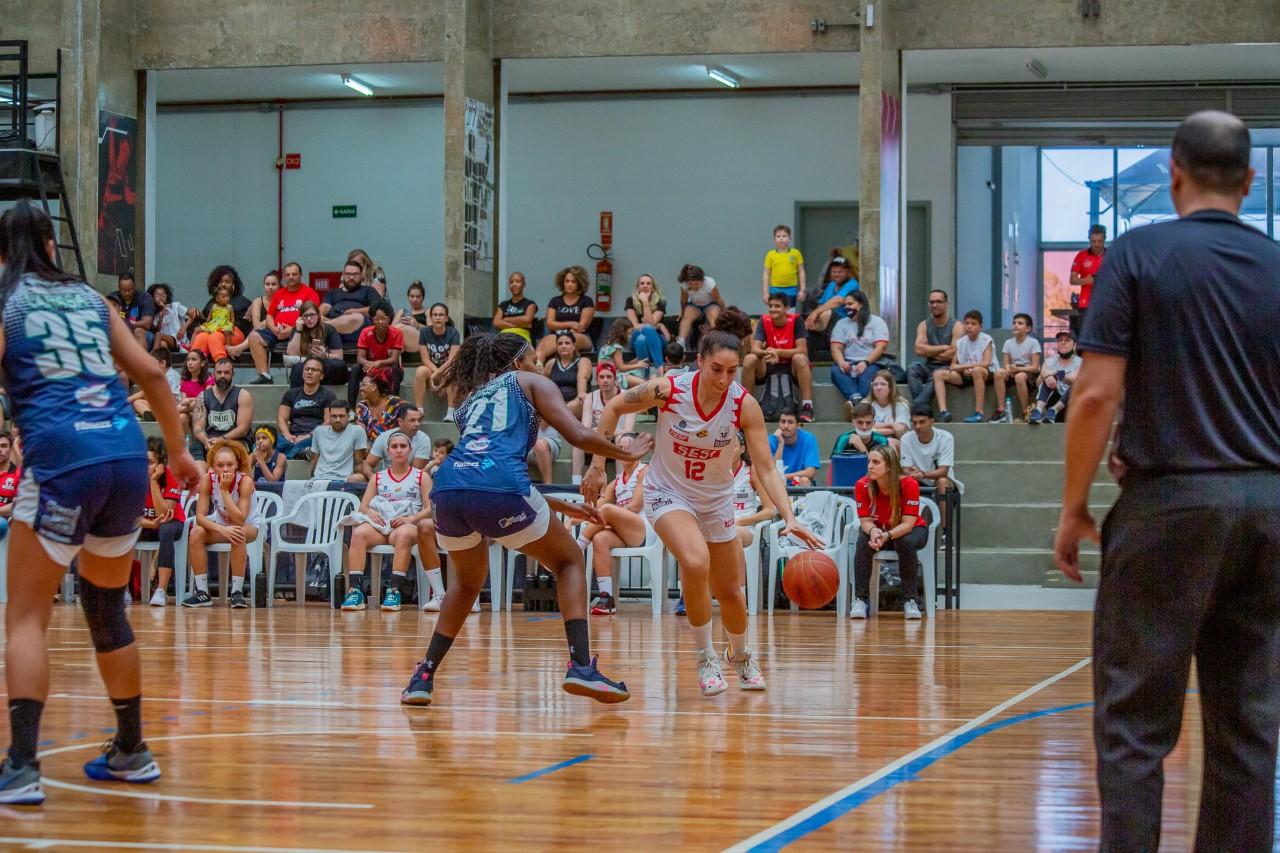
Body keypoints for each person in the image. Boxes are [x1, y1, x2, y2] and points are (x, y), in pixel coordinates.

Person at [1054, 111, 1280, 853]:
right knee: (1250, 728)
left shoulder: (1137, 254)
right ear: (1250, 181)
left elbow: (1095, 393)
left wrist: (1074, 507)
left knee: (1135, 726)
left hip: (1168, 507)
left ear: (1174, 174)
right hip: (1268, 509)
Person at [0, 200, 199, 805]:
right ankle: (131, 748)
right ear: (52, 247)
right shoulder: (90, 299)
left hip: (63, 458)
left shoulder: (8, 302)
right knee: (107, 609)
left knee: (26, 617)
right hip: (125, 457)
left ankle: (21, 766)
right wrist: (178, 452)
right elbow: (154, 374)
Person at [400, 332, 652, 707]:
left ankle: (423, 676)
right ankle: (581, 667)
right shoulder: (529, 382)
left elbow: (483, 475)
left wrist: (559, 505)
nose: (539, 365)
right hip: (499, 489)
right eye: (534, 358)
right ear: (518, 362)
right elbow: (576, 434)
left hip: (447, 491)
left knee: (466, 584)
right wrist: (622, 453)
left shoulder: (471, 400)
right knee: (568, 561)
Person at [584, 329, 822, 696]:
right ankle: (705, 657)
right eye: (716, 369)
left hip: (714, 500)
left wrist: (788, 516)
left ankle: (741, 656)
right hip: (668, 493)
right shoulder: (668, 390)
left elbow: (765, 467)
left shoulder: (743, 405)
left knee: (730, 592)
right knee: (695, 563)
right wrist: (598, 464)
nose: (724, 379)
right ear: (699, 362)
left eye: (732, 371)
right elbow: (615, 406)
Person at [341, 432, 434, 612]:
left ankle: (393, 591)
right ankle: (355, 592)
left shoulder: (421, 476)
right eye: (394, 446)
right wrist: (371, 513)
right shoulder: (378, 477)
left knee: (404, 534)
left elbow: (430, 508)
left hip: (407, 524)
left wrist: (410, 519)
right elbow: (363, 506)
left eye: (403, 446)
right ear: (388, 451)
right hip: (383, 526)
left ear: (410, 450)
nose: (399, 450)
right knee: (359, 533)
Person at [850, 444, 929, 620]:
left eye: (876, 462)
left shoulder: (909, 484)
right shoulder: (862, 485)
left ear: (889, 466)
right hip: (880, 530)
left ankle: (910, 600)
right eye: (869, 461)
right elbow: (865, 521)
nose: (870, 466)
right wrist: (874, 531)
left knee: (905, 541)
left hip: (912, 529)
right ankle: (860, 600)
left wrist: (887, 535)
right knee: (863, 540)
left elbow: (908, 524)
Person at [182, 438, 262, 609]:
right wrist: (221, 529)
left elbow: (240, 519)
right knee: (195, 533)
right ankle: (202, 592)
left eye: (229, 464)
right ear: (213, 466)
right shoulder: (207, 480)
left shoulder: (245, 481)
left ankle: (237, 592)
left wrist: (224, 491)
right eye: (220, 465)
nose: (225, 469)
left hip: (249, 526)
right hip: (222, 526)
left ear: (237, 464)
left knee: (237, 532)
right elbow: (200, 517)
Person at [575, 433, 648, 616]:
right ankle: (606, 598)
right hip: (624, 532)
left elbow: (635, 506)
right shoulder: (616, 481)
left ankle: (575, 549)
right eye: (618, 448)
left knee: (607, 510)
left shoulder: (644, 472)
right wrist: (575, 518)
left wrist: (610, 518)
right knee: (600, 538)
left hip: (645, 530)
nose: (621, 451)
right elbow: (596, 508)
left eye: (626, 447)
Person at [743, 293, 814, 423]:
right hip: (769, 364)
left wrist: (778, 352)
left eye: (777, 306)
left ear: (787, 308)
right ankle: (746, 407)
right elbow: (755, 348)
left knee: (800, 358)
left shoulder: (796, 320)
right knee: (749, 359)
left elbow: (802, 350)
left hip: (791, 366)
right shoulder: (764, 320)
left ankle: (807, 407)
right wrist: (768, 353)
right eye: (770, 306)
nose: (772, 309)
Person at [249, 262, 320, 384]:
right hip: (277, 331)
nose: (291, 277)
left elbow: (313, 317)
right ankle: (265, 376)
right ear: (284, 277)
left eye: (294, 274)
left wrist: (292, 329)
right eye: (288, 274)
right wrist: (274, 329)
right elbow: (270, 316)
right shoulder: (279, 294)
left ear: (301, 275)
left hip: (300, 331)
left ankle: (298, 378)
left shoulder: (309, 293)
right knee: (254, 337)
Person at [140, 436, 187, 607]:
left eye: (150, 462)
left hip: (173, 522)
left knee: (166, 529)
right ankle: (123, 589)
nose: (145, 466)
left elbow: (164, 513)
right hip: (146, 524)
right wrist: (150, 524)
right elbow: (126, 516)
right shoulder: (132, 477)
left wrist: (153, 482)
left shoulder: (172, 475)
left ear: (161, 464)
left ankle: (161, 590)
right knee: (119, 529)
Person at [572, 362, 635, 484]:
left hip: (618, 437)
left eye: (609, 377)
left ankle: (621, 485)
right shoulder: (590, 397)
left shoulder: (627, 396)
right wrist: (596, 432)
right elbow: (585, 427)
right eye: (602, 377)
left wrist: (605, 432)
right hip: (598, 439)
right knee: (578, 444)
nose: (605, 380)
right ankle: (575, 484)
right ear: (596, 380)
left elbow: (628, 429)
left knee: (623, 441)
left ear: (615, 379)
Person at [829, 291, 890, 412]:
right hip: (848, 362)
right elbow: (835, 348)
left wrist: (865, 363)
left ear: (861, 304)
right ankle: (857, 401)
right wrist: (842, 363)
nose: (846, 307)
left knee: (866, 378)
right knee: (835, 371)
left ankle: (855, 406)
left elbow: (881, 347)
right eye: (845, 305)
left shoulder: (877, 322)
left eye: (850, 304)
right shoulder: (841, 324)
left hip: (871, 363)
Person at [933, 309, 993, 423]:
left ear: (981, 326)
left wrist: (965, 367)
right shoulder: (960, 342)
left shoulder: (986, 339)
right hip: (965, 375)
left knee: (977, 370)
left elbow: (986, 363)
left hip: (985, 374)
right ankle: (943, 412)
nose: (969, 326)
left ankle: (979, 413)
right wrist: (964, 369)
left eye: (973, 324)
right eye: (967, 323)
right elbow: (953, 366)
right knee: (938, 374)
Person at [191, 357, 254, 460]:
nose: (222, 376)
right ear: (214, 374)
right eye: (219, 372)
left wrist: (222, 440)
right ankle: (202, 470)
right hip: (210, 440)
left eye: (226, 373)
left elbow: (243, 429)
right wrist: (205, 441)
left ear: (233, 374)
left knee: (231, 452)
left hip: (235, 440)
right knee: (196, 448)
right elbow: (198, 428)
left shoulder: (243, 395)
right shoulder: (203, 396)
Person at [908, 290, 962, 408]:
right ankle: (922, 405)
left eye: (939, 302)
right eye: (931, 302)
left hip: (947, 367)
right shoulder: (924, 325)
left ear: (947, 303)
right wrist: (943, 347)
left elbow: (953, 354)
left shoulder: (957, 326)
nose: (935, 305)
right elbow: (918, 350)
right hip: (928, 365)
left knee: (936, 374)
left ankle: (918, 406)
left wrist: (928, 351)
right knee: (912, 368)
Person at [277, 358, 338, 459]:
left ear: (321, 376)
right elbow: (281, 419)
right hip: (292, 436)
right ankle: (297, 452)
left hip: (314, 436)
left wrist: (308, 435)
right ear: (302, 373)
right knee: (270, 439)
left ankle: (287, 455)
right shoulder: (291, 394)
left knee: (313, 442)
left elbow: (328, 422)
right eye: (307, 369)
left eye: (314, 370)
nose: (310, 372)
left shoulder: (328, 395)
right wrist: (288, 435)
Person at [349, 300, 404, 410]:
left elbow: (394, 359)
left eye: (384, 318)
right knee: (355, 368)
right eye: (377, 318)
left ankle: (393, 408)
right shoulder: (366, 332)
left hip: (388, 368)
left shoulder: (397, 333)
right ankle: (351, 409)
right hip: (369, 369)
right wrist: (370, 364)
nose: (380, 322)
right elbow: (360, 358)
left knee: (395, 369)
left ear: (389, 318)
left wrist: (378, 363)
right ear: (372, 319)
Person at [535, 265, 596, 363]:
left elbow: (581, 326)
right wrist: (571, 324)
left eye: (573, 281)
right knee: (541, 347)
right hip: (556, 335)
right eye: (567, 281)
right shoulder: (555, 301)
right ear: (562, 283)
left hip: (580, 336)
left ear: (580, 283)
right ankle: (537, 371)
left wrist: (564, 328)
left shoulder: (586, 301)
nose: (569, 284)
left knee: (567, 341)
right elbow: (550, 323)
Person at [900, 405, 961, 501]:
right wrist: (913, 474)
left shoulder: (946, 437)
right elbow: (906, 469)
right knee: (902, 480)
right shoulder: (906, 439)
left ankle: (943, 512)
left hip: (942, 480)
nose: (918, 426)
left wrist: (923, 474)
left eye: (922, 422)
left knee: (942, 481)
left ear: (932, 422)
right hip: (917, 480)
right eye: (914, 423)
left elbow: (943, 471)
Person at [412, 302, 461, 418]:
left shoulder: (453, 333)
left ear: (446, 318)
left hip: (448, 368)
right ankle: (419, 410)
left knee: (451, 373)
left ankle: (451, 412)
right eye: (435, 315)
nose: (438, 317)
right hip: (431, 368)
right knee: (420, 371)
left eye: (441, 315)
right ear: (431, 317)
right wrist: (436, 374)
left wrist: (437, 375)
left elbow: (451, 360)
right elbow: (425, 359)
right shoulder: (424, 332)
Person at [992, 313, 1041, 423]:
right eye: (1014, 323)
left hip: (1028, 372)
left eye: (1020, 323)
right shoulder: (1008, 343)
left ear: (1028, 328)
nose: (1015, 325)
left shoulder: (1033, 342)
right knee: (998, 372)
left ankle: (1026, 411)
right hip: (1014, 370)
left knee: (1019, 377)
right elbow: (1006, 364)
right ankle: (1001, 410)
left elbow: (1035, 368)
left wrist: (1019, 369)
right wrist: (1008, 368)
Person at [285, 301, 347, 386]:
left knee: (338, 365)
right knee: (298, 368)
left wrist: (325, 355)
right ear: (301, 318)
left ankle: (325, 391)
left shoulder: (328, 329)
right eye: (306, 316)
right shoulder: (297, 329)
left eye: (312, 315)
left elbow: (339, 356)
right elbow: (292, 353)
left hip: (325, 362)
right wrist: (298, 330)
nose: (309, 318)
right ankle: (298, 394)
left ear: (318, 315)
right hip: (306, 362)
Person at [363, 403, 431, 478]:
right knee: (357, 478)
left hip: (411, 480)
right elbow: (368, 464)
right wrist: (373, 478)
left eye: (419, 420)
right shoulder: (384, 437)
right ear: (400, 421)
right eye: (412, 420)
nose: (417, 424)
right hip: (386, 479)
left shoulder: (424, 439)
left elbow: (416, 471)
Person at [1028, 330, 1082, 425]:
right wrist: (1047, 377)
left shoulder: (1081, 362)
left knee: (1077, 384)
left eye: (1067, 340)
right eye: (1060, 340)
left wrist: (1055, 373)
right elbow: (1038, 382)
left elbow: (1075, 379)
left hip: (1071, 403)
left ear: (1074, 345)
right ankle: (1038, 411)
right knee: (1048, 379)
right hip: (1051, 400)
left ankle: (1054, 410)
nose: (1063, 342)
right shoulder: (1049, 361)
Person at [321, 259, 378, 344]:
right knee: (314, 317)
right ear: (343, 275)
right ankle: (327, 326)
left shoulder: (368, 290)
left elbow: (378, 310)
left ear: (361, 276)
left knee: (356, 317)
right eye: (348, 274)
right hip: (334, 326)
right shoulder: (333, 292)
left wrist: (356, 311)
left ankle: (324, 327)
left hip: (357, 326)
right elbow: (325, 307)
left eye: (355, 274)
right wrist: (317, 316)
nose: (351, 277)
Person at [226, 271, 279, 360]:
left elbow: (284, 321)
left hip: (278, 333)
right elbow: (257, 325)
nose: (270, 287)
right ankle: (240, 349)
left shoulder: (284, 301)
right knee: (256, 332)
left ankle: (240, 348)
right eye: (267, 284)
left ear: (279, 286)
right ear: (264, 286)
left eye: (273, 284)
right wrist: (271, 322)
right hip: (261, 335)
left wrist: (266, 323)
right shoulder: (258, 301)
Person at [308, 406, 368, 483]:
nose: (337, 420)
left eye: (341, 416)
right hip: (319, 478)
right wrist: (312, 480)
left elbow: (358, 462)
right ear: (329, 416)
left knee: (355, 478)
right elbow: (315, 460)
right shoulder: (319, 431)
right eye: (334, 416)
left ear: (348, 416)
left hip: (344, 480)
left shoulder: (357, 431)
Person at [804, 254, 859, 333]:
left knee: (826, 313)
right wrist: (813, 317)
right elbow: (821, 304)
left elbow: (838, 300)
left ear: (848, 272)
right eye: (834, 272)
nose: (836, 275)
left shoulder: (853, 284)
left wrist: (815, 313)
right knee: (806, 322)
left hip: (847, 321)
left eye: (840, 272)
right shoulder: (831, 285)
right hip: (829, 322)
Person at [1069, 223, 1106, 337]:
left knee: (1105, 337)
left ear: (1104, 240)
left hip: (1107, 303)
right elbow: (1072, 280)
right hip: (1086, 304)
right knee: (1085, 336)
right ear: (1089, 240)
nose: (1096, 244)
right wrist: (1086, 281)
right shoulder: (1081, 255)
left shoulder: (1111, 255)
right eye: (1093, 241)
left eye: (1099, 241)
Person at [624, 273, 668, 370]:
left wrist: (645, 302)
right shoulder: (630, 300)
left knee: (642, 339)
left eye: (648, 283)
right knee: (642, 336)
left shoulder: (661, 302)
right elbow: (636, 326)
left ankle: (644, 373)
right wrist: (655, 325)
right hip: (635, 337)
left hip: (657, 339)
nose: (645, 286)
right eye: (642, 283)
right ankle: (660, 367)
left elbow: (651, 325)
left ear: (653, 287)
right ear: (638, 287)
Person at [543, 330, 590, 418]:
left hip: (575, 404)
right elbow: (543, 384)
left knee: (580, 402)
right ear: (556, 347)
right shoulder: (551, 363)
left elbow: (581, 378)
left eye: (567, 343)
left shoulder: (583, 361)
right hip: (555, 404)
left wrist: (581, 394)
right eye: (560, 344)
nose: (563, 346)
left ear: (574, 346)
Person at [768, 406, 821, 486]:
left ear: (798, 426)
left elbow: (810, 472)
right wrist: (780, 445)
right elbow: (771, 472)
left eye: (790, 422)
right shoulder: (771, 441)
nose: (786, 426)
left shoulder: (808, 439)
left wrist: (784, 477)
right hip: (776, 485)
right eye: (783, 421)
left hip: (795, 481)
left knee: (804, 480)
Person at [675, 264, 724, 347]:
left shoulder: (710, 283)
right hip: (695, 305)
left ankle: (714, 340)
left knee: (714, 317)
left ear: (702, 281)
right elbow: (683, 300)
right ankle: (681, 342)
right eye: (691, 284)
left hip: (710, 304)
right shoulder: (684, 284)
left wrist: (724, 312)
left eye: (697, 284)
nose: (694, 286)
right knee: (686, 316)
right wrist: (682, 313)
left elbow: (718, 299)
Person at [189, 282, 239, 362]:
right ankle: (191, 345)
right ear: (217, 299)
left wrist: (231, 326)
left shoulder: (229, 307)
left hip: (224, 324)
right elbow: (209, 318)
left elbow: (232, 319)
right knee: (197, 329)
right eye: (224, 297)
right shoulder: (214, 306)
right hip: (213, 324)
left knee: (227, 332)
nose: (227, 298)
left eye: (228, 297)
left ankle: (229, 348)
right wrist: (205, 324)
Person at [129, 347, 181, 422]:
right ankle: (150, 415)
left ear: (163, 363)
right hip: (160, 407)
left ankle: (153, 416)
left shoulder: (172, 376)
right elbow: (145, 392)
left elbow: (173, 398)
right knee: (137, 402)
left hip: (173, 408)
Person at [761, 224, 806, 308]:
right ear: (774, 239)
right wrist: (765, 292)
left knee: (790, 310)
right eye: (778, 236)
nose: (781, 238)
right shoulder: (770, 255)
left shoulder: (796, 253)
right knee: (775, 310)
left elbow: (801, 272)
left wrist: (803, 289)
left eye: (784, 236)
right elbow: (766, 274)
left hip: (791, 288)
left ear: (789, 238)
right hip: (774, 288)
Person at [597, 318, 650, 388]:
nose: (630, 336)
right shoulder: (616, 347)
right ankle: (650, 382)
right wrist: (638, 365)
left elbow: (616, 366)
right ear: (622, 333)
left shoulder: (607, 345)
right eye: (629, 333)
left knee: (636, 375)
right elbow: (621, 368)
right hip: (614, 378)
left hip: (606, 376)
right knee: (644, 384)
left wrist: (631, 363)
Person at [109, 272, 156, 349]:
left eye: (130, 289)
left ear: (134, 286)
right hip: (121, 332)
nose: (127, 293)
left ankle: (140, 357)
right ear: (119, 288)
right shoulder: (113, 299)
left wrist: (126, 324)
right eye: (124, 290)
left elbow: (146, 324)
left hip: (144, 335)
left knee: (138, 331)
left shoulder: (145, 297)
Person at [354, 374, 406, 442]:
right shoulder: (362, 407)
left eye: (364, 385)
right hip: (371, 446)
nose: (360, 388)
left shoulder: (395, 403)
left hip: (396, 444)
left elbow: (409, 420)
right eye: (360, 385)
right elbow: (361, 434)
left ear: (374, 387)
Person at [492, 271, 537, 343]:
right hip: (503, 338)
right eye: (511, 282)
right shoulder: (503, 305)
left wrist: (506, 319)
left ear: (524, 285)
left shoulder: (530, 304)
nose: (514, 284)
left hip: (522, 338)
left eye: (518, 281)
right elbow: (496, 322)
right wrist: (520, 324)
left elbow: (526, 320)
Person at [176, 348, 213, 436]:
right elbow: (184, 402)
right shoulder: (184, 381)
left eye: (193, 359)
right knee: (182, 417)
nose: (190, 362)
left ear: (202, 363)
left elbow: (207, 398)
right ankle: (189, 440)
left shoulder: (208, 379)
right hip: (190, 411)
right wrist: (190, 401)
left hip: (204, 412)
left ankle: (173, 411)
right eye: (188, 360)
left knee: (198, 402)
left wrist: (190, 400)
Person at [868, 370, 910, 440]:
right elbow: (863, 428)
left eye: (883, 384)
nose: (878, 388)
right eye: (875, 384)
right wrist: (890, 424)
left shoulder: (900, 405)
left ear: (890, 387)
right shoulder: (867, 404)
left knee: (890, 441)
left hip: (894, 441)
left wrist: (873, 429)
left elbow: (900, 430)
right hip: (871, 441)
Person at [146, 283, 187, 354]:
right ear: (152, 298)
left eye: (163, 295)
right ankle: (163, 359)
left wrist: (183, 328)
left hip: (178, 340)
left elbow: (192, 315)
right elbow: (157, 330)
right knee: (163, 344)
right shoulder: (156, 315)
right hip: (167, 342)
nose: (161, 298)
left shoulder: (174, 306)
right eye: (157, 295)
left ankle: (152, 354)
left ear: (167, 296)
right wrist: (161, 317)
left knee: (158, 335)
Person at [0, 431, 20, 541]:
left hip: (5, 523)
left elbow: (17, 505)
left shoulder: (18, 475)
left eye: (3, 446)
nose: (0, 450)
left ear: (11, 449)